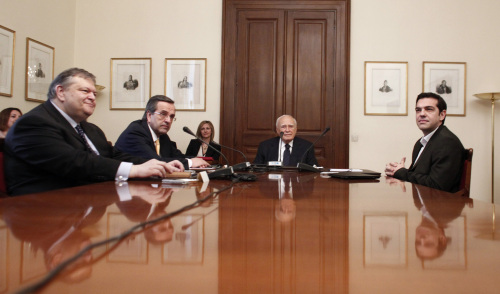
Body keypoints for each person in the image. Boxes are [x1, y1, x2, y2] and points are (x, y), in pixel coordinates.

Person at [4, 68, 184, 196]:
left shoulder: (90, 129)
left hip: (88, 205)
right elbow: (75, 161)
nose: (92, 97)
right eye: (85, 91)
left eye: (94, 93)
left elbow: (115, 155)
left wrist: (154, 164)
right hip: (41, 212)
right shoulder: (33, 123)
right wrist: (135, 170)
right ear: (61, 92)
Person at [385, 92, 464, 192]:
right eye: (418, 110)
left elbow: (436, 185)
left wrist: (401, 172)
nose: (422, 114)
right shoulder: (420, 143)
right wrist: (395, 170)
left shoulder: (447, 142)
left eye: (429, 109)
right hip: (422, 203)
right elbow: (419, 177)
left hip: (441, 206)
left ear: (442, 115)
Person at [115, 95, 209, 169]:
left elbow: (177, 156)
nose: (168, 120)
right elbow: (155, 162)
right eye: (163, 114)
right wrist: (191, 162)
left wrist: (197, 162)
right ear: (149, 115)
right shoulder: (136, 132)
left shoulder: (162, 136)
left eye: (171, 116)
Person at [253, 115, 318, 166]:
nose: (287, 130)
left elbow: (313, 169)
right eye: (283, 127)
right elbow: (256, 168)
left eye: (291, 126)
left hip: (297, 182)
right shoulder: (265, 146)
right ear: (277, 130)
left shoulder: (307, 146)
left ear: (296, 129)